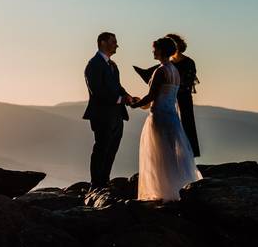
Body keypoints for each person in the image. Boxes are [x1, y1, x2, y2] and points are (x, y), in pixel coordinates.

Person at [130, 37, 201, 201]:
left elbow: (151, 96)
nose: (152, 51)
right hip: (172, 117)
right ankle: (175, 188)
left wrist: (134, 104)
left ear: (160, 51)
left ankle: (163, 192)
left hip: (159, 117)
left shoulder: (160, 71)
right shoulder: (174, 71)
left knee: (159, 154)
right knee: (170, 154)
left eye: (154, 48)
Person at [82, 32, 134, 189]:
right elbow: (97, 91)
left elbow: (117, 87)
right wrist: (120, 99)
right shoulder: (93, 65)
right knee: (101, 148)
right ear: (102, 43)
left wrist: (127, 96)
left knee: (112, 148)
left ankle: (104, 180)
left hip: (117, 114)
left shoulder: (112, 65)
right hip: (102, 115)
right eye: (113, 42)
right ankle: (96, 183)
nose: (116, 45)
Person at [166, 33, 201, 157]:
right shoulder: (167, 64)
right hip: (169, 100)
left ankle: (187, 158)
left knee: (186, 127)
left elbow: (188, 83)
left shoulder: (188, 62)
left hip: (183, 100)